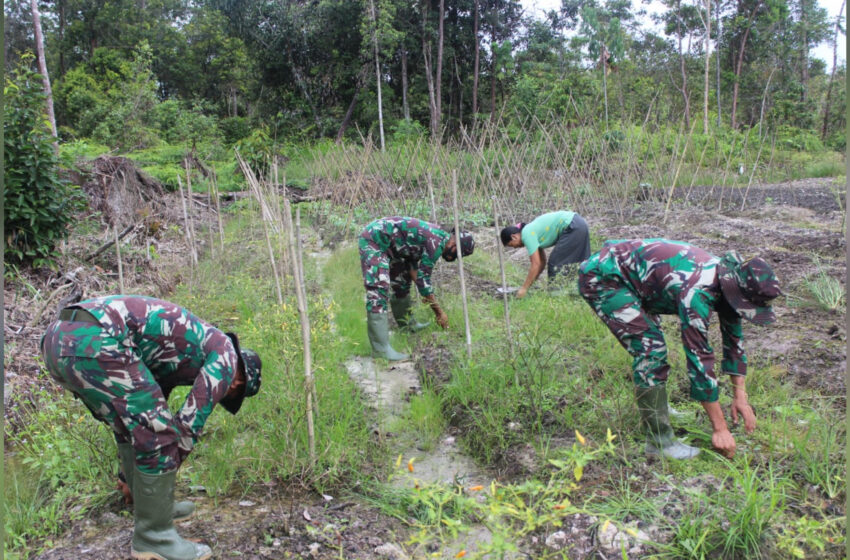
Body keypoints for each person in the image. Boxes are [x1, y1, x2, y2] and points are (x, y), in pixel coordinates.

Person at [41, 295, 262, 560]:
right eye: (233, 391)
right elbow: (187, 427)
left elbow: (138, 421)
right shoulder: (226, 355)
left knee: (138, 424)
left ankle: (147, 508)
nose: (229, 391)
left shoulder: (177, 355)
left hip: (57, 339)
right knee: (162, 437)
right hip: (97, 337)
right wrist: (163, 469)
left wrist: (133, 479)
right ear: (238, 381)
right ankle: (154, 537)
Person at [578, 239, 780, 460]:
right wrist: (720, 428)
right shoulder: (699, 291)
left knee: (652, 342)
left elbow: (733, 341)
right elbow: (699, 358)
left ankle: (658, 410)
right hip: (605, 277)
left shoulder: (728, 283)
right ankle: (659, 443)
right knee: (650, 350)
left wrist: (740, 396)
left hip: (636, 278)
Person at [359, 216, 475, 360]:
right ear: (455, 245)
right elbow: (423, 279)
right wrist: (439, 312)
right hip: (375, 239)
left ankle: (407, 325)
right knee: (378, 289)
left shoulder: (438, 237)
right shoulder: (437, 242)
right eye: (458, 255)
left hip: (394, 246)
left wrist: (425, 292)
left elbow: (413, 267)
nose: (454, 258)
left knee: (402, 282)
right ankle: (381, 350)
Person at [500, 210, 591, 297]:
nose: (515, 247)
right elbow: (541, 263)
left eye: (511, 245)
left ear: (514, 237)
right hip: (578, 223)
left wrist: (524, 288)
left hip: (572, 225)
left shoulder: (526, 234)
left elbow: (535, 264)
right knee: (577, 262)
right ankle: (580, 290)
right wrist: (530, 285)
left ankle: (556, 296)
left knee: (556, 263)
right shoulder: (531, 232)